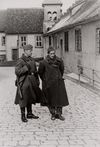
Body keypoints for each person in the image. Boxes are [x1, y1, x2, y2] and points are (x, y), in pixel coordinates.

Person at [38, 46, 69, 121]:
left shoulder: (59, 61)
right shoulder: (43, 62)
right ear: (48, 54)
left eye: (53, 53)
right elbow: (40, 73)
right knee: (50, 99)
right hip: (48, 83)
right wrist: (45, 80)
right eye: (51, 53)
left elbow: (61, 70)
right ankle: (53, 113)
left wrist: (58, 77)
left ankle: (59, 114)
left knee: (60, 99)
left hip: (58, 83)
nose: (52, 55)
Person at [15, 44, 41, 122]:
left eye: (31, 50)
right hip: (24, 81)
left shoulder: (32, 60)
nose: (31, 52)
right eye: (30, 50)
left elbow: (35, 71)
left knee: (30, 97)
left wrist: (37, 80)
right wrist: (25, 68)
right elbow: (17, 71)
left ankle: (29, 114)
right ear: (25, 51)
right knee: (23, 98)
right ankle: (23, 115)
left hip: (32, 81)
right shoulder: (20, 60)